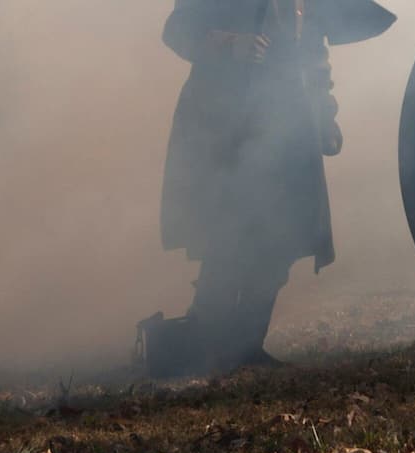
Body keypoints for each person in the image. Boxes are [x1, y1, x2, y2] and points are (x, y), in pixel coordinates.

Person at [157, 0, 392, 373]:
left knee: (282, 237)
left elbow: (314, 55)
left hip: (288, 121)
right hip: (222, 122)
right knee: (224, 240)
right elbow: (177, 30)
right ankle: (207, 343)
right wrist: (230, 43)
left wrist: (325, 116)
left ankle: (248, 346)